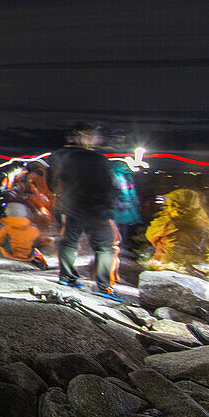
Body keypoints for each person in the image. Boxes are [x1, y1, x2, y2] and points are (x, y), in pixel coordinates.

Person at [50, 123, 122, 299]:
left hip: (70, 204)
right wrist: (107, 206)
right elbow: (107, 185)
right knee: (106, 246)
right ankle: (104, 287)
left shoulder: (58, 155)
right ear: (82, 136)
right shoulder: (97, 159)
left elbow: (52, 182)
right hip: (94, 207)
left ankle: (67, 277)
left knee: (69, 240)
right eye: (92, 135)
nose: (96, 139)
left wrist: (61, 199)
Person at [143, 189, 209, 273]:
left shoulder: (168, 224)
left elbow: (151, 236)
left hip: (169, 264)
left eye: (170, 204)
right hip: (199, 265)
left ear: (176, 204)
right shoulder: (203, 221)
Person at [0, 203, 48, 269]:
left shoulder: (6, 226)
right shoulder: (33, 227)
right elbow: (39, 241)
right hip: (29, 256)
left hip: (11, 255)